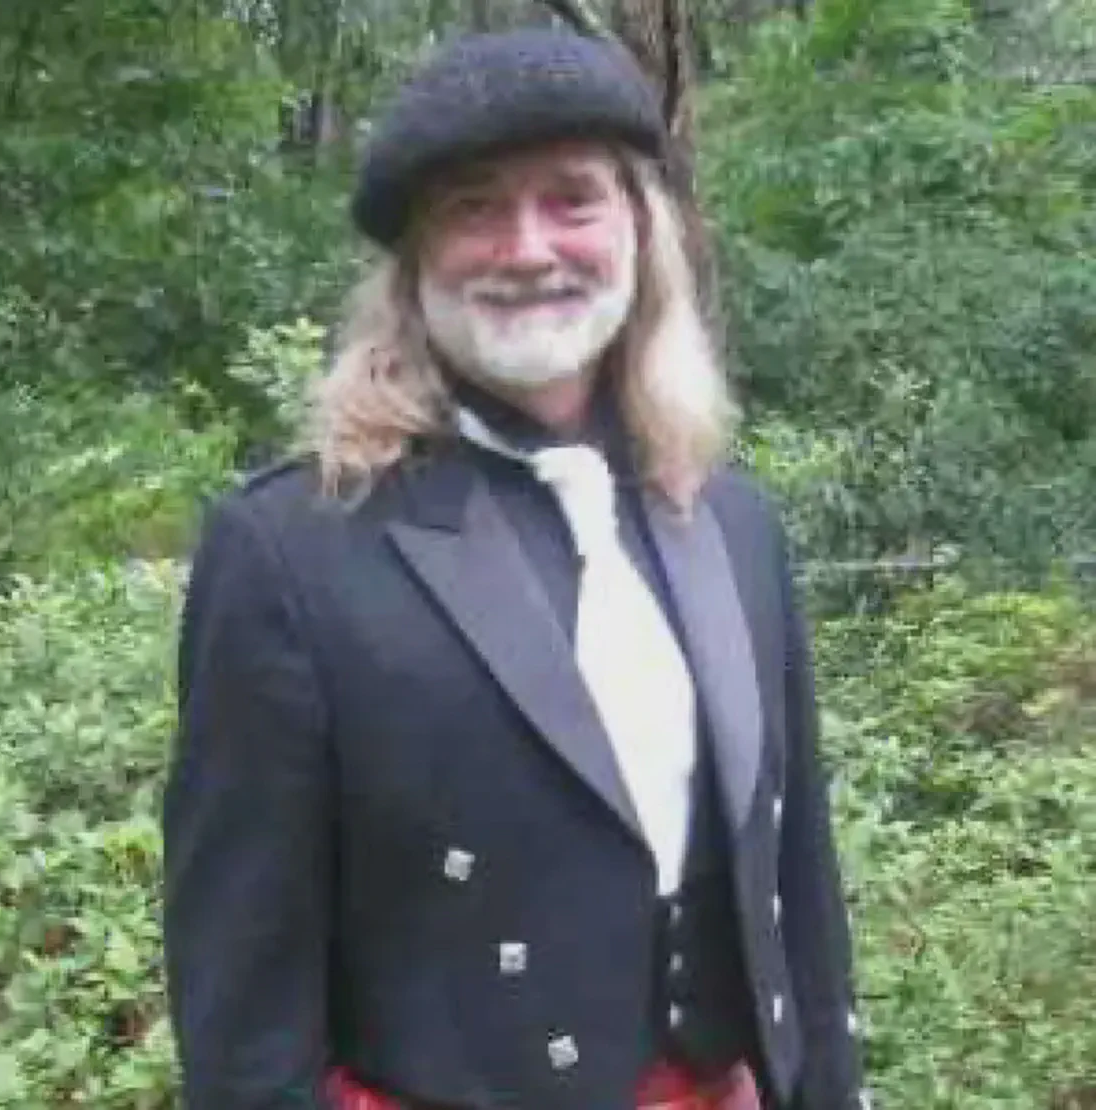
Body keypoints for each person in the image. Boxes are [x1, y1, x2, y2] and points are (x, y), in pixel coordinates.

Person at [161, 26, 868, 1110]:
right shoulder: (291, 550)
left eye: (572, 200)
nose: (528, 248)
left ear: (640, 228)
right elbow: (242, 1008)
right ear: (415, 263)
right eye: (474, 207)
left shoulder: (732, 521)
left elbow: (800, 895)